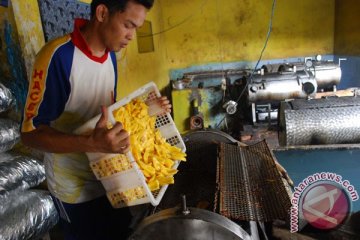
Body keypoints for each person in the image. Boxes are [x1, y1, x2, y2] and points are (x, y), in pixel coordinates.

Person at [21, 0, 171, 239]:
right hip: (74, 189)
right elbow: (30, 135)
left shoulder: (111, 56)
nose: (131, 36)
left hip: (110, 178)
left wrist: (146, 111)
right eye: (128, 25)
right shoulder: (58, 57)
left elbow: (105, 113)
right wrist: (91, 143)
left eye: (136, 29)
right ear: (102, 13)